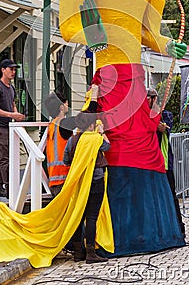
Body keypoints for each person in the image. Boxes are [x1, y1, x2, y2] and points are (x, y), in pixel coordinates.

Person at [59, 0, 186, 255]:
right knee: (112, 146)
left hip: (137, 74)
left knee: (143, 143)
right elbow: (68, 20)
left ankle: (152, 233)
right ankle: (101, 236)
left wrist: (168, 45)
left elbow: (149, 28)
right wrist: (91, 35)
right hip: (110, 74)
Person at [63, 112, 110, 264]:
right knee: (91, 217)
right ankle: (91, 252)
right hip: (95, 182)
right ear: (91, 125)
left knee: (78, 216)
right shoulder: (95, 138)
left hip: (78, 183)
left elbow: (65, 160)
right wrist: (101, 132)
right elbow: (108, 146)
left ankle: (78, 253)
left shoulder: (72, 139)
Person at [147, 88, 186, 237]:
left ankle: (179, 228)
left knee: (171, 196)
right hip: (150, 164)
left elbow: (164, 128)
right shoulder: (145, 116)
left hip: (164, 164)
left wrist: (156, 114)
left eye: (149, 98)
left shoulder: (165, 115)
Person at [0, 59, 25, 198]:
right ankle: (11, 189)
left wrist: (16, 116)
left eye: (15, 69)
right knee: (5, 159)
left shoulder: (11, 88)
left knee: (6, 157)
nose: (13, 72)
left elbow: (13, 103)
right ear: (3, 70)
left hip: (9, 126)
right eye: (11, 69)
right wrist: (11, 114)